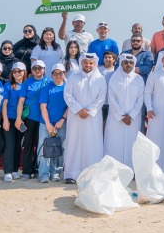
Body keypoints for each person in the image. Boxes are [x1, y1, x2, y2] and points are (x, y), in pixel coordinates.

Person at [62, 53, 106, 183]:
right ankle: (71, 174)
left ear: (95, 64)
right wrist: (78, 109)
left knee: (92, 144)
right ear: (81, 63)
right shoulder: (73, 78)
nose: (88, 65)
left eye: (91, 63)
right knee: (74, 143)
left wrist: (90, 111)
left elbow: (101, 98)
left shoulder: (100, 79)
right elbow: (68, 95)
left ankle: (92, 174)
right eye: (85, 62)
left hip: (93, 118)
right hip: (76, 117)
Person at [104, 53, 145, 169]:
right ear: (121, 63)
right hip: (116, 119)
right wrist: (122, 115)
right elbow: (111, 98)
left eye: (131, 63)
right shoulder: (114, 78)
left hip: (133, 119)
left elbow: (140, 99)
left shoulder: (139, 79)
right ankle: (113, 169)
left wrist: (131, 115)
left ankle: (131, 170)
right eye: (126, 62)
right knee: (114, 143)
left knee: (132, 144)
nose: (128, 65)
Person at [38, 63, 68, 182]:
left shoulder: (67, 88)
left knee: (59, 149)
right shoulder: (46, 88)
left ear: (64, 74)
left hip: (61, 124)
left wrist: (62, 120)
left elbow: (69, 107)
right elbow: (43, 107)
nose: (58, 76)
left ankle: (55, 172)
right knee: (44, 149)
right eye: (55, 73)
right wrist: (48, 124)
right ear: (51, 75)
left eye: (60, 73)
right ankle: (44, 174)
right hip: (45, 124)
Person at [0, 62, 27, 181]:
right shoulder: (8, 85)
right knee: (9, 145)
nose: (17, 73)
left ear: (24, 72)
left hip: (22, 121)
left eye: (19, 71)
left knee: (17, 146)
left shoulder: (26, 85)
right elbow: (4, 104)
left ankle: (15, 170)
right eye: (14, 71)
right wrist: (5, 120)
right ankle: (8, 172)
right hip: (9, 119)